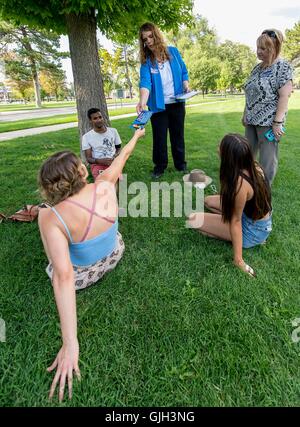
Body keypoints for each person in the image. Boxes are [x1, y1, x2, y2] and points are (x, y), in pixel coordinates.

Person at [38, 127, 145, 402]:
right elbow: (125, 155)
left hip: (81, 276)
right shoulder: (105, 184)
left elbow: (63, 277)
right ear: (83, 172)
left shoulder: (50, 216)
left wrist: (70, 343)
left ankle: (59, 246)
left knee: (44, 219)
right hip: (114, 253)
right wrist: (136, 135)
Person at [188, 133, 272, 278]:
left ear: (228, 156)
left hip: (251, 229)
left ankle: (250, 241)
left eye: (220, 147)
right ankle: (223, 226)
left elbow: (236, 222)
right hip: (259, 220)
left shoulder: (240, 184)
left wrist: (239, 261)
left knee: (192, 219)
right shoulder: (253, 166)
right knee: (208, 201)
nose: (217, 148)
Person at [137, 22, 190, 179]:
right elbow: (145, 83)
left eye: (150, 36)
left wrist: (186, 84)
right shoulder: (147, 62)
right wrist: (142, 102)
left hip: (177, 103)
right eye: (144, 39)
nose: (148, 41)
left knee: (177, 136)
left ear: (156, 35)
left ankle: (181, 165)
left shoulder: (173, 52)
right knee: (159, 138)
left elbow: (184, 72)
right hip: (158, 107)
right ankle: (159, 167)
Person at [243, 29, 293, 185]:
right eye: (258, 48)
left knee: (267, 160)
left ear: (274, 48)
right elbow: (250, 92)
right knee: (247, 156)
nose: (259, 52)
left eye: (263, 48)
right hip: (251, 120)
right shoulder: (257, 68)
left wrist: (277, 123)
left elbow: (285, 96)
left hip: (269, 123)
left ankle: (264, 192)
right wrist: (246, 113)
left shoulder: (283, 67)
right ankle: (247, 186)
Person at [82, 108, 122, 181]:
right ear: (90, 121)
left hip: (113, 163)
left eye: (100, 117)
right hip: (98, 165)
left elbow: (119, 148)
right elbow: (89, 159)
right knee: (102, 186)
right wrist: (100, 161)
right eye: (95, 118)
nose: (99, 120)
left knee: (120, 183)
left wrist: (115, 156)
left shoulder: (113, 131)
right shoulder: (86, 137)